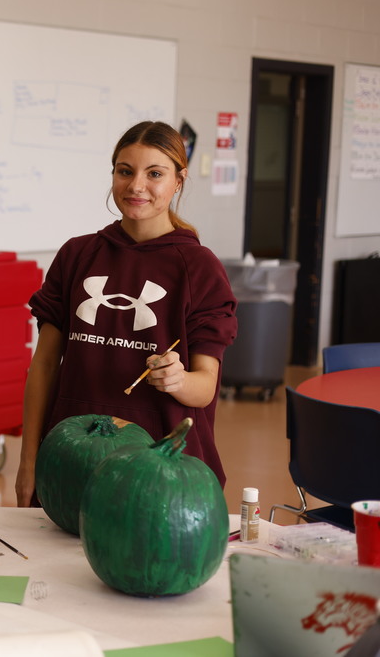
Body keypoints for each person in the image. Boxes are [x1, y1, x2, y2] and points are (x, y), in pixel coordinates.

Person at [15, 121, 237, 507]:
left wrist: (177, 380)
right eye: (125, 171)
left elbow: (204, 388)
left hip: (158, 472)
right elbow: (45, 367)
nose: (136, 186)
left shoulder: (199, 266)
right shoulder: (77, 255)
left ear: (179, 181)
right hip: (70, 459)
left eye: (155, 174)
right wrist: (29, 461)